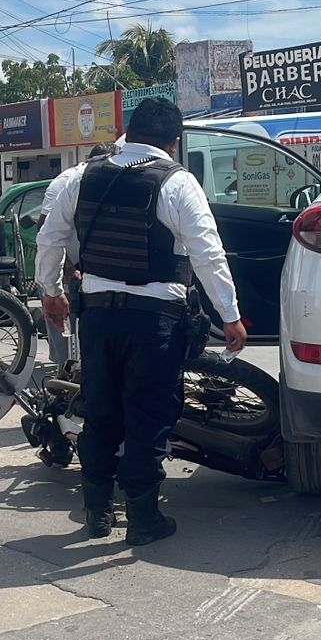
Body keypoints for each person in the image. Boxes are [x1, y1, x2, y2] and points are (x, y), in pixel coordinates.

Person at [36, 98, 246, 545]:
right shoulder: (178, 183)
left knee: (101, 410)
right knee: (148, 415)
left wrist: (50, 291)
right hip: (154, 322)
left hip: (95, 317)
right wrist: (230, 315)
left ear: (129, 131)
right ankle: (144, 517)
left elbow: (50, 238)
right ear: (176, 140)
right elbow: (208, 254)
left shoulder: (81, 177)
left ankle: (96, 512)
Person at [36, 142, 115, 364]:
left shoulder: (107, 180)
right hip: (61, 261)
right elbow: (46, 228)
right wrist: (69, 269)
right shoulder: (67, 182)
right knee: (60, 317)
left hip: (85, 264)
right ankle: (63, 370)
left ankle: (82, 367)